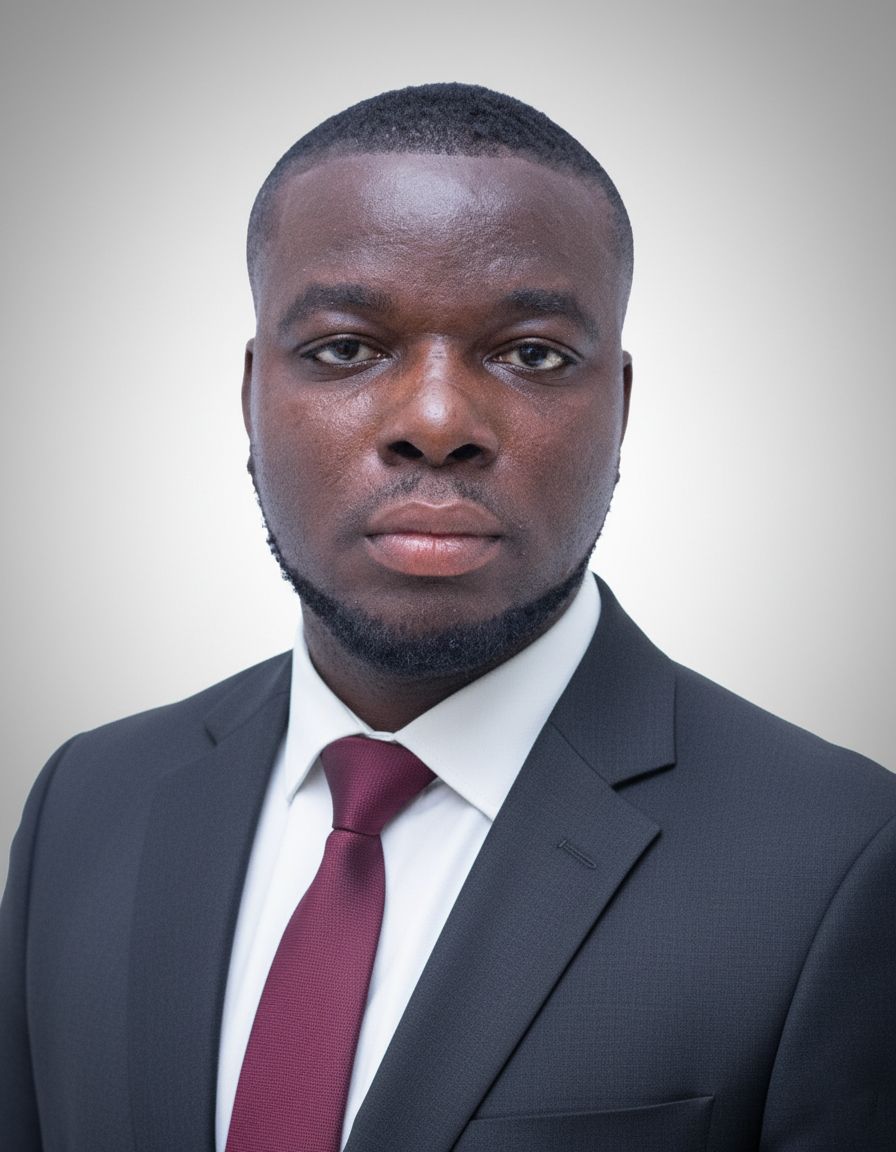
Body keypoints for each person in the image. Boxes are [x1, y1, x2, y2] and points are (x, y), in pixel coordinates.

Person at [1, 83, 894, 1152]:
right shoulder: (87, 803)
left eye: (531, 354)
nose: (435, 422)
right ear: (249, 397)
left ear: (620, 408)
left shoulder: (842, 858)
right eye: (345, 348)